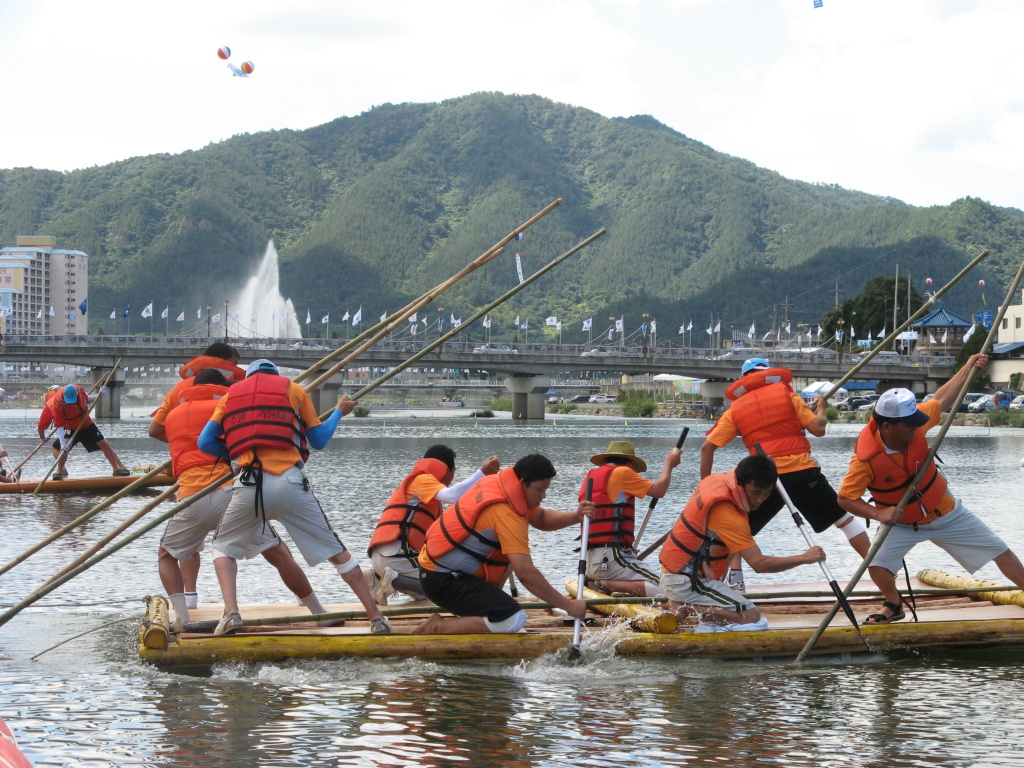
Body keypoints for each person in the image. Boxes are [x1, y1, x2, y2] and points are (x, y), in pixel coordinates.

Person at [197, 358, 390, 636]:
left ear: (248, 377)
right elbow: (319, 440)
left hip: (249, 483)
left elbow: (204, 442)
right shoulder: (294, 389)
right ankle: (376, 617)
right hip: (290, 482)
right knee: (338, 553)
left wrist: (235, 455)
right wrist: (338, 412)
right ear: (275, 374)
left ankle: (231, 613)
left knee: (223, 549)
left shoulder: (230, 396)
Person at [837, 354, 1024, 624]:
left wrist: (968, 367)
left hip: (946, 512)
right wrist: (879, 515)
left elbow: (941, 398)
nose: (916, 428)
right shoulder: (864, 461)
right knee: (876, 564)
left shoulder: (914, 423)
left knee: (1000, 550)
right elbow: (845, 498)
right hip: (902, 523)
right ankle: (893, 603)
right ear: (887, 427)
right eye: (909, 425)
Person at [150, 368, 333, 631]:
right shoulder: (230, 405)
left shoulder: (173, 414)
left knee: (166, 555)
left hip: (192, 496)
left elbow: (181, 442)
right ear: (218, 386)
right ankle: (317, 610)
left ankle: (181, 617)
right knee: (278, 552)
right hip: (231, 492)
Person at [700, 357, 869, 591]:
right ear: (768, 374)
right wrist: (821, 410)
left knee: (735, 533)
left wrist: (706, 488)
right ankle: (877, 567)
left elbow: (707, 448)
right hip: (803, 473)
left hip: (765, 480)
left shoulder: (736, 409)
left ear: (744, 379)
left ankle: (723, 586)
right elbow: (818, 429)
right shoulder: (788, 395)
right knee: (845, 520)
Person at [412, 454, 595, 635]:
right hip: (444, 580)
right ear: (523, 482)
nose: (544, 495)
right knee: (513, 619)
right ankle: (437, 627)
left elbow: (540, 518)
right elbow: (525, 574)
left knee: (504, 615)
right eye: (540, 489)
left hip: (446, 573)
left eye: (546, 489)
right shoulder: (506, 514)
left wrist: (575, 516)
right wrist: (569, 606)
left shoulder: (499, 484)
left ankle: (474, 621)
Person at [659, 454, 825, 626]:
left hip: (676, 574)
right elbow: (759, 564)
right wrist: (805, 558)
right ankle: (685, 607)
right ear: (740, 483)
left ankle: (683, 607)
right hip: (687, 581)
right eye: (755, 492)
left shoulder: (715, 480)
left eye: (766, 493)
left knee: (731, 610)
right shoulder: (729, 516)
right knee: (751, 617)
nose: (760, 500)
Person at [365, 445, 500, 605]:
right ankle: (394, 581)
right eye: (454, 472)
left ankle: (375, 577)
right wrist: (482, 474)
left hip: (387, 557)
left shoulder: (424, 490)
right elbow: (452, 495)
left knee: (427, 595)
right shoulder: (423, 479)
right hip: (397, 556)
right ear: (449, 470)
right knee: (445, 586)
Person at [579, 440, 681, 597]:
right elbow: (659, 490)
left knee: (653, 581)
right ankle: (606, 584)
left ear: (606, 460)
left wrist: (624, 545)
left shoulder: (592, 476)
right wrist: (669, 464)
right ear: (631, 464)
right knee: (669, 587)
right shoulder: (622, 473)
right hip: (610, 559)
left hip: (590, 560)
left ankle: (606, 583)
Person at [151, 342, 246, 425]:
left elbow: (154, 431)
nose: (236, 367)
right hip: (219, 443)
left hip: (184, 444)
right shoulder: (236, 390)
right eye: (234, 363)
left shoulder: (175, 391)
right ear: (221, 362)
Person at [52, 383, 129, 479]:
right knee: (63, 450)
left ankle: (116, 469)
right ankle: (60, 471)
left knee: (105, 445)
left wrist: (100, 395)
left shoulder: (80, 392)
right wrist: (62, 443)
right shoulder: (58, 404)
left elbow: (88, 399)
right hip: (70, 427)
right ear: (64, 396)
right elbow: (59, 425)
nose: (71, 403)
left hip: (86, 424)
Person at [37, 385, 64, 464]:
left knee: (57, 448)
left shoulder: (50, 404)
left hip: (67, 427)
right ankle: (62, 469)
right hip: (81, 424)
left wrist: (43, 438)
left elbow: (41, 427)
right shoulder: (66, 395)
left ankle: (62, 469)